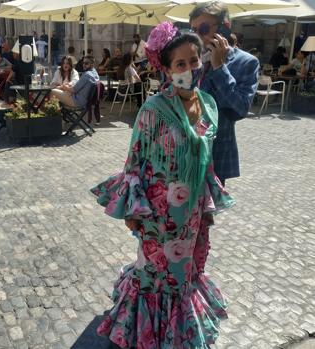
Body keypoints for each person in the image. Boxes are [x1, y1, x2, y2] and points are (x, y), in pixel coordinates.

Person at [93, 22, 233, 349]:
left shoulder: (209, 106)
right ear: (167, 70)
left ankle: (178, 329)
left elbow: (207, 161)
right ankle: (148, 331)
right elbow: (134, 163)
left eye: (194, 61)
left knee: (184, 273)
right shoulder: (153, 111)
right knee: (155, 274)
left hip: (193, 213)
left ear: (202, 61)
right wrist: (133, 214)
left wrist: (209, 206)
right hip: (158, 217)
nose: (189, 69)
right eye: (180, 64)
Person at [190, 1, 259, 186]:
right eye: (193, 30)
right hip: (184, 149)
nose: (197, 35)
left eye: (203, 28)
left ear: (224, 29)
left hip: (216, 152)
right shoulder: (192, 59)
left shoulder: (246, 63)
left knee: (207, 213)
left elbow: (241, 108)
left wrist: (219, 67)